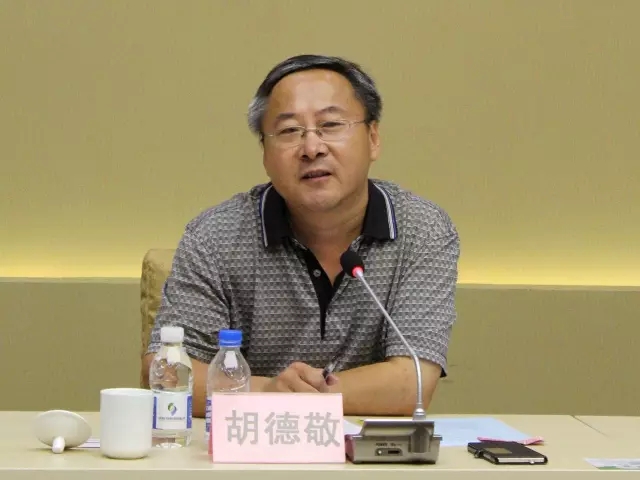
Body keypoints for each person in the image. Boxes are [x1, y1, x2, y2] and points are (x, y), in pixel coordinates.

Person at [142, 54, 460, 418]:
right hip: (252, 446)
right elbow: (166, 373)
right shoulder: (215, 236)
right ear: (265, 153)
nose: (312, 148)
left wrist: (294, 396)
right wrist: (269, 392)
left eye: (331, 125)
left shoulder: (422, 229)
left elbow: (411, 382)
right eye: (290, 131)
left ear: (373, 138)